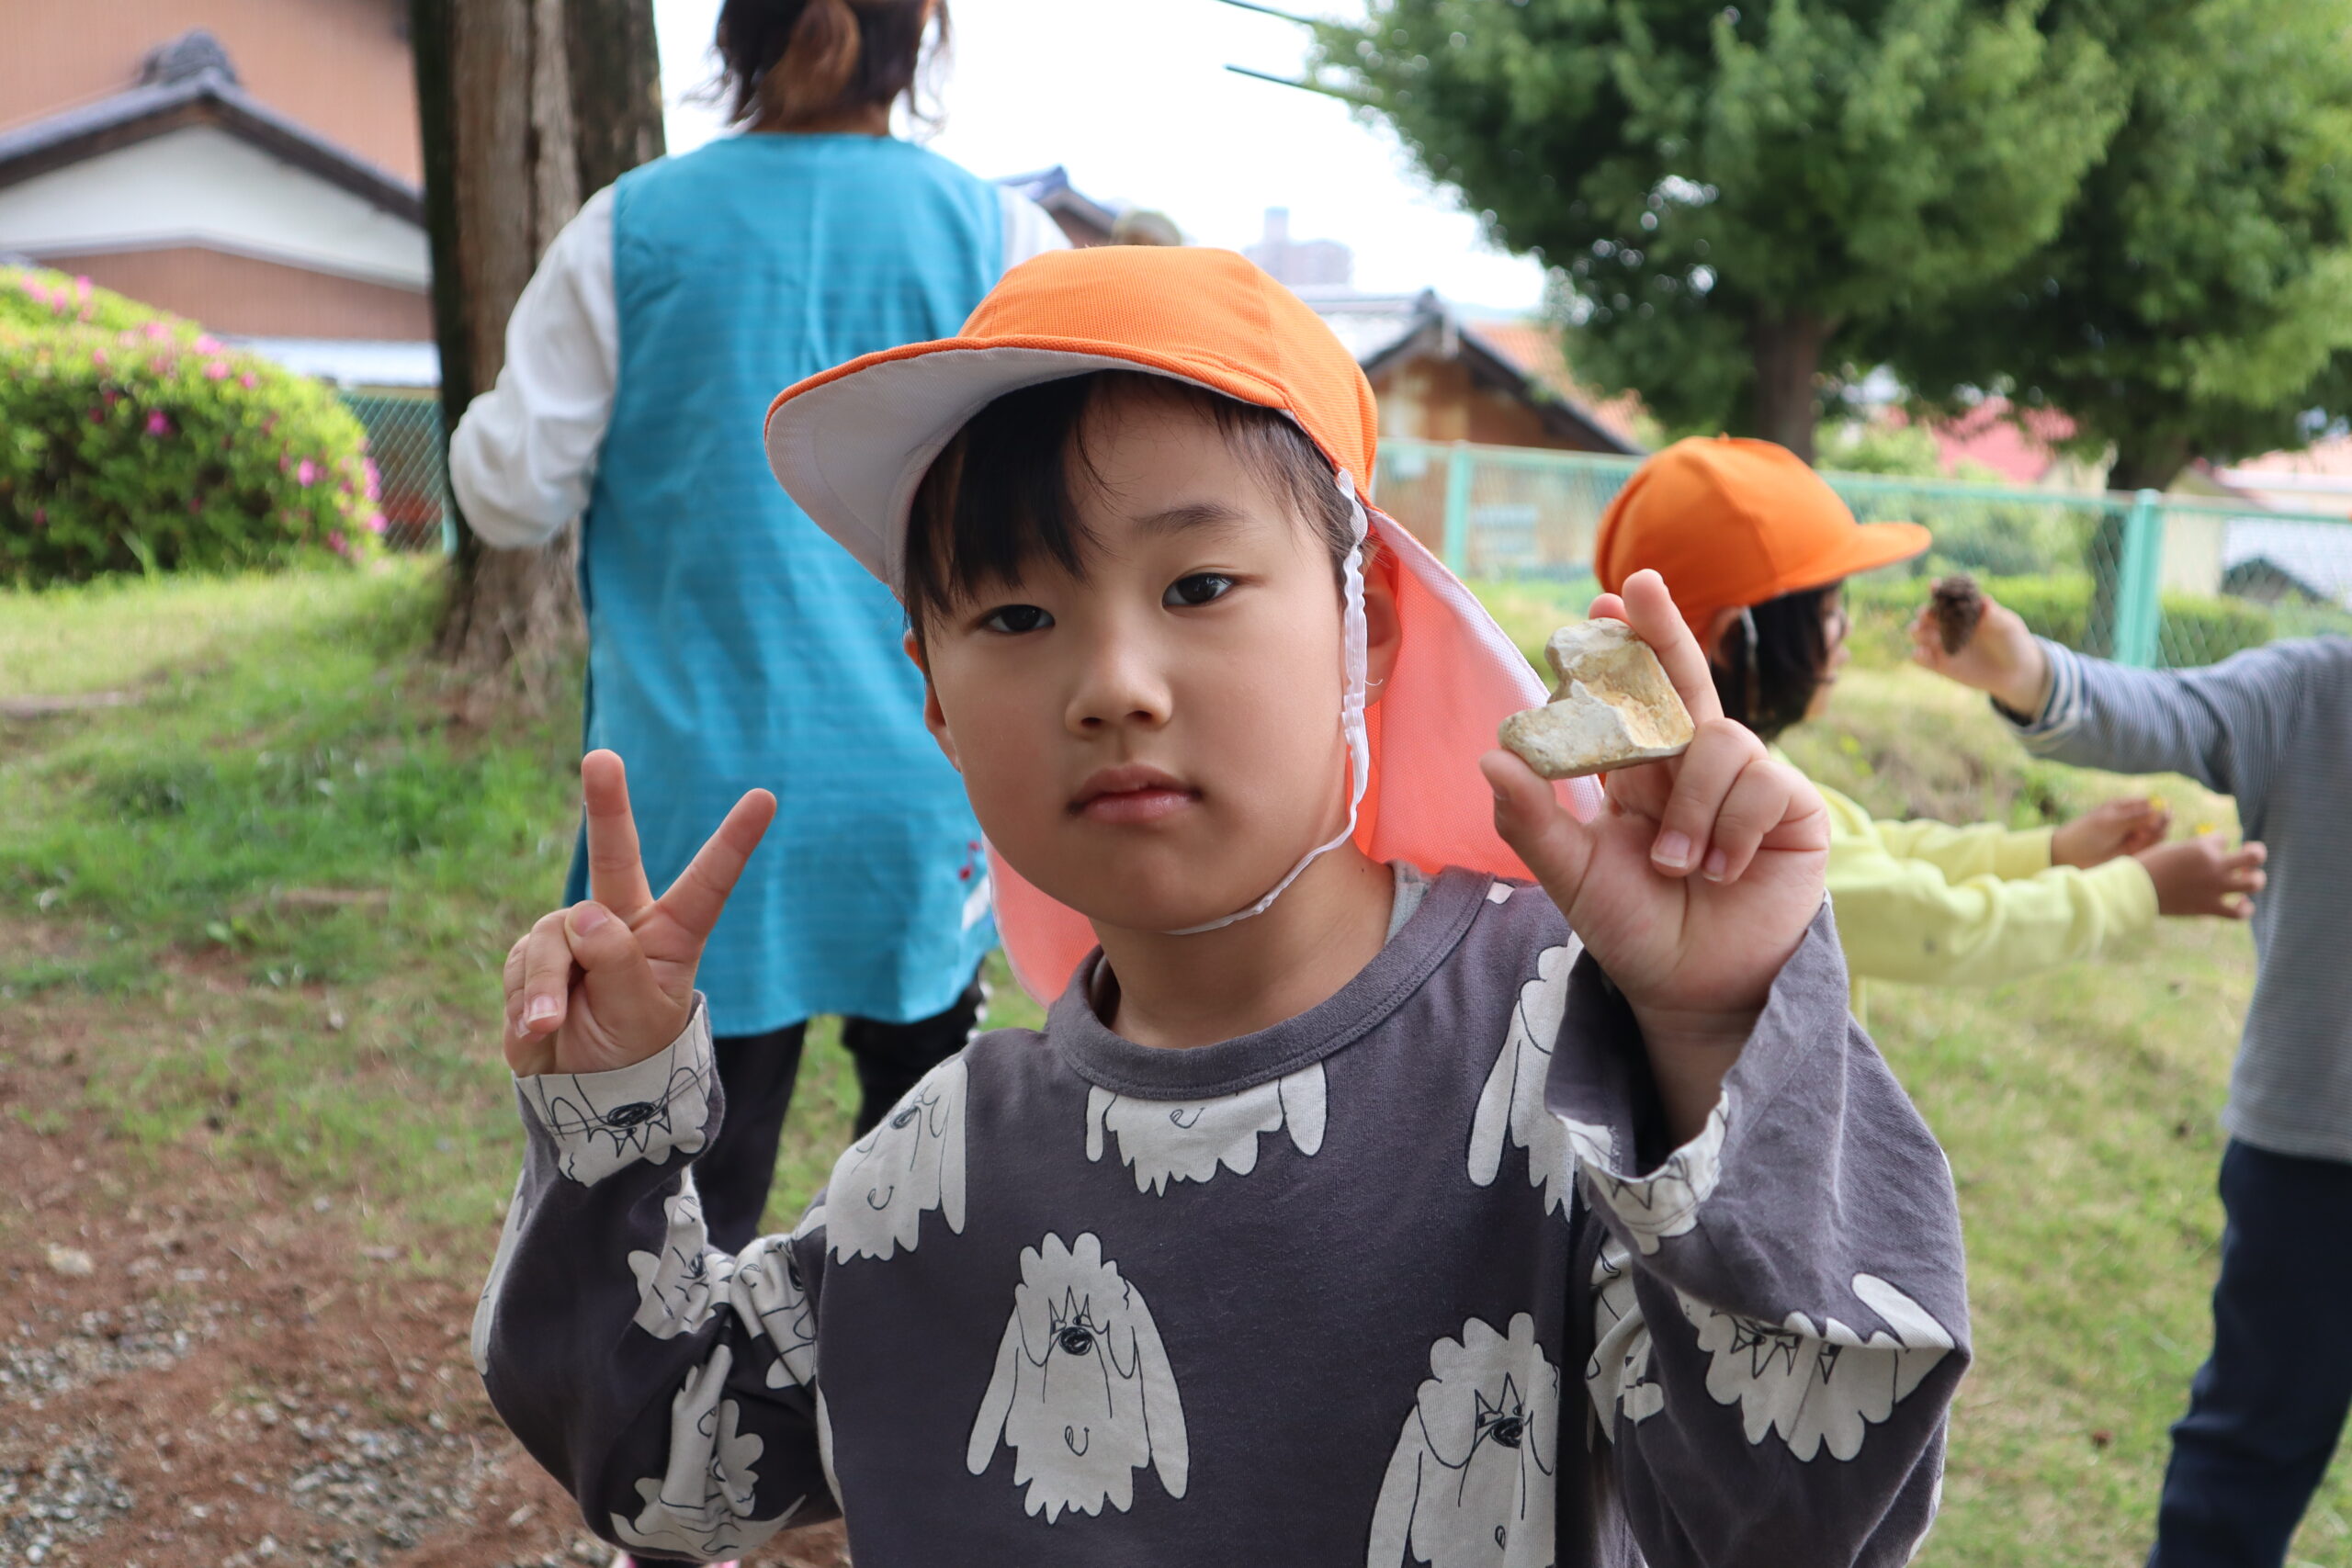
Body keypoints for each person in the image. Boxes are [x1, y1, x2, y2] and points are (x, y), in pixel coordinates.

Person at [469, 246, 1969, 1565]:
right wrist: (612, 1118)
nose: (1113, 683)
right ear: (934, 698)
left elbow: (1796, 1515)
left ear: (1365, 627)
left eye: (1196, 586)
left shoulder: (1569, 1065)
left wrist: (1713, 1030)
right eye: (1014, 613)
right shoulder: (935, 1172)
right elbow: (667, 1463)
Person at [448, 0, 1068, 1276]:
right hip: (926, 781)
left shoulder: (628, 228)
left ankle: (681, 1392)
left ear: (741, 32)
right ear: (917, 36)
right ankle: (899, 1372)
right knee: (928, 1173)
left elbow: (511, 491)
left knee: (677, 1195)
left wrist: (478, 433)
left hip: (694, 809)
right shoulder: (1003, 239)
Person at [1910, 591, 2346, 1568]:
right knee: (2245, 1458)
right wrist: (2028, 674)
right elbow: (2167, 710)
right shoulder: (2318, 690)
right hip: (2312, 1148)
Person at [1591, 437, 2266, 1015]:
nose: (1845, 631)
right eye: (1829, 610)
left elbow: (1882, 850)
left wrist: (2055, 850)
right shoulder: (1726, 820)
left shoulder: (1717, 774)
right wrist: (2143, 889)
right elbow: (1943, 927)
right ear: (1737, 638)